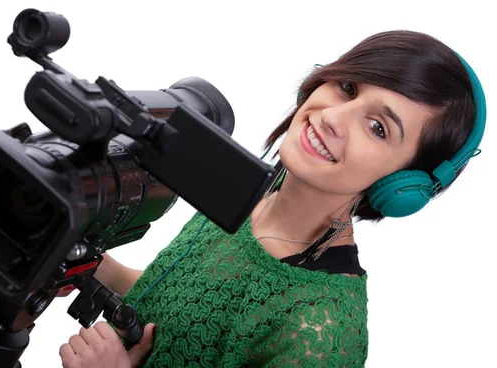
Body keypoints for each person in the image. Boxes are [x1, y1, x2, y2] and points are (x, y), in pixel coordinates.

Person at [59, 30, 485, 367]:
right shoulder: (248, 196)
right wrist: (89, 265)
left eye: (378, 128)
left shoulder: (322, 329)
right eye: (348, 87)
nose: (332, 118)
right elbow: (178, 315)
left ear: (403, 187)